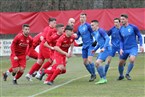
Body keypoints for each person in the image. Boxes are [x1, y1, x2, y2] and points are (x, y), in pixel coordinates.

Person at [118, 14, 144, 80]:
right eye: (121, 19)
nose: (122, 21)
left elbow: (139, 36)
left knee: (132, 59)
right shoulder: (120, 29)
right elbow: (121, 40)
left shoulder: (133, 27)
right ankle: (121, 75)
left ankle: (127, 74)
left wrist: (141, 45)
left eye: (123, 19)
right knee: (121, 63)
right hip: (124, 48)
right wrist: (121, 48)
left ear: (127, 19)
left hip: (133, 47)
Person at [76, 13, 96, 82]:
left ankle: (93, 75)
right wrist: (71, 35)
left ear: (86, 18)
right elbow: (77, 36)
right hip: (84, 46)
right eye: (81, 17)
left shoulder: (88, 26)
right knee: (85, 62)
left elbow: (94, 33)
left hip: (90, 45)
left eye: (83, 17)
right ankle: (92, 74)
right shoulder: (79, 27)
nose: (82, 18)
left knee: (90, 60)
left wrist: (95, 41)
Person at [91, 20, 111, 84]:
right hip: (103, 49)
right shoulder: (96, 33)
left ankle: (104, 78)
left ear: (97, 25)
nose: (91, 27)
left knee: (98, 62)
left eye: (92, 25)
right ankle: (102, 78)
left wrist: (104, 48)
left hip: (107, 49)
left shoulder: (101, 31)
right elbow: (99, 43)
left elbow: (107, 38)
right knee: (96, 64)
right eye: (91, 25)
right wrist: (95, 49)